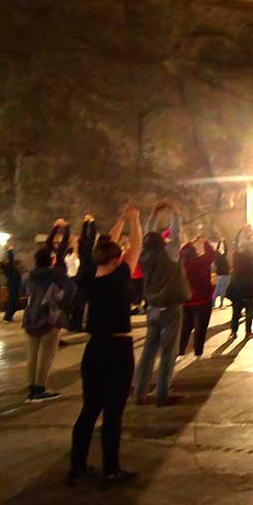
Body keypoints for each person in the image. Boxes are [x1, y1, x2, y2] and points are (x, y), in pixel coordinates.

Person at [69, 204, 143, 487]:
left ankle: (77, 467)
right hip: (118, 350)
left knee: (90, 409)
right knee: (113, 412)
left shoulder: (88, 278)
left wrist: (120, 220)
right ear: (116, 259)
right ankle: (111, 469)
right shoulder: (119, 277)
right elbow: (135, 246)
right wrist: (134, 220)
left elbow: (106, 246)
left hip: (93, 350)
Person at [134, 213, 191, 407]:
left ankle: (140, 392)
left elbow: (149, 235)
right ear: (162, 242)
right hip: (170, 308)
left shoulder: (144, 255)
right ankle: (162, 393)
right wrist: (175, 213)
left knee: (148, 351)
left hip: (152, 308)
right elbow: (176, 235)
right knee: (168, 352)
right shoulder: (170, 253)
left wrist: (154, 215)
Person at [22, 220, 76, 402]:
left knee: (32, 354)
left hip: (31, 316)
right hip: (49, 317)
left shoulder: (30, 276)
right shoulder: (56, 274)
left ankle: (31, 386)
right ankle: (40, 388)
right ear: (52, 259)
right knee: (46, 355)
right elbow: (71, 289)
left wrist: (55, 227)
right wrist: (62, 305)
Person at [179, 234, 216, 359]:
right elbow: (211, 253)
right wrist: (204, 241)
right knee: (200, 328)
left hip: (186, 302)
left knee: (185, 328)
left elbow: (182, 250)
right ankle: (198, 353)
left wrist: (191, 241)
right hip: (203, 301)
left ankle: (180, 352)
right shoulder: (202, 262)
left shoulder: (181, 265)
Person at [227, 246, 253, 339]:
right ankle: (248, 332)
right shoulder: (250, 262)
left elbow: (232, 281)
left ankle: (233, 332)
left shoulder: (236, 264)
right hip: (249, 291)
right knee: (249, 313)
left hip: (238, 292)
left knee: (235, 313)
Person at [213, 239, 231, 308]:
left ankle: (214, 304)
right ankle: (220, 304)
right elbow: (225, 251)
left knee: (218, 289)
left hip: (221, 273)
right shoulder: (221, 254)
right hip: (224, 273)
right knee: (222, 289)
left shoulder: (217, 253)